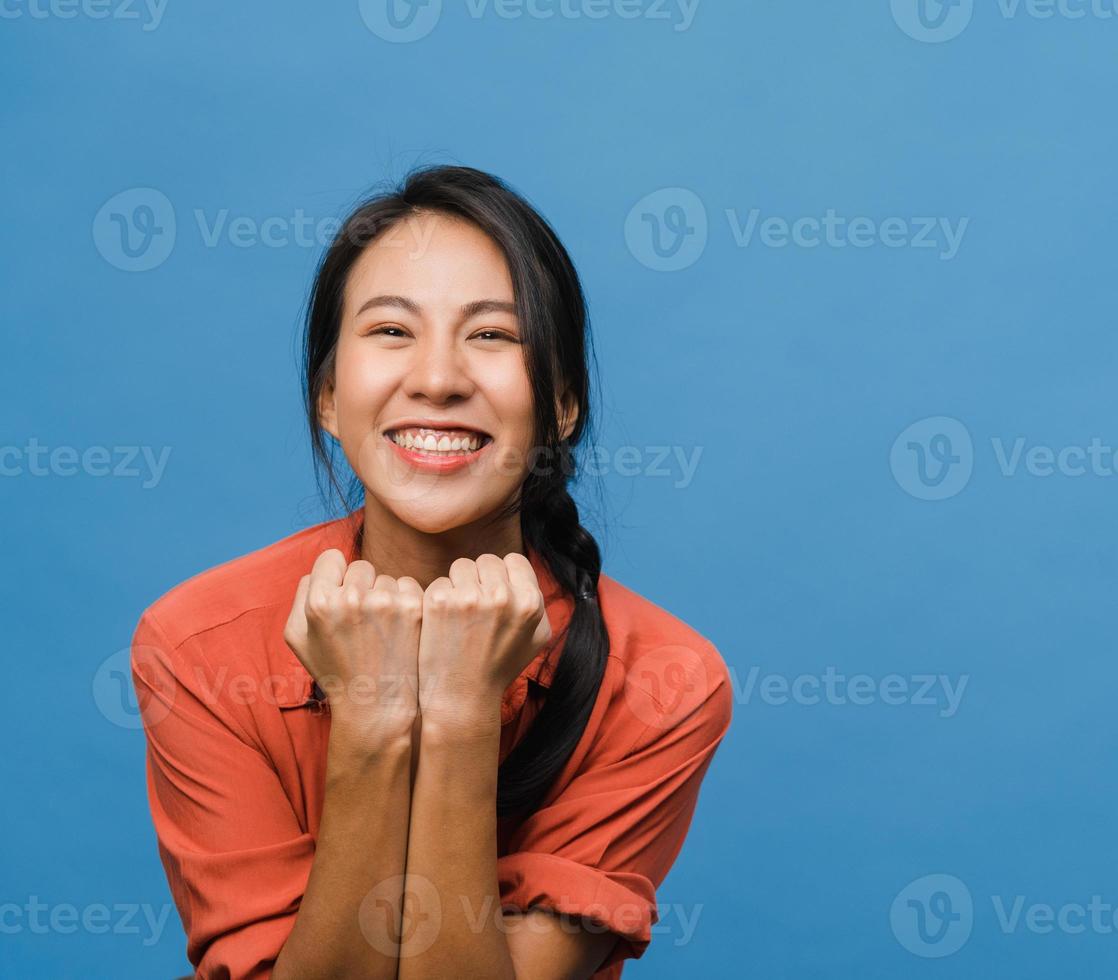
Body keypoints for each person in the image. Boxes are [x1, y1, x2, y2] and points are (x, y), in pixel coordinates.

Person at [129, 165, 733, 979]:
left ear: (562, 403)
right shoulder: (197, 647)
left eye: (493, 335)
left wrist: (457, 713)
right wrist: (374, 720)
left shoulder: (665, 682)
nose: (439, 379)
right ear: (328, 397)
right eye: (390, 331)